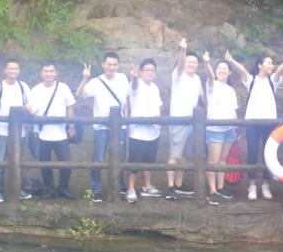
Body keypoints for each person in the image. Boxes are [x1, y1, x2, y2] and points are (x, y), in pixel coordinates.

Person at [227, 50, 283, 200]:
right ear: (260, 65)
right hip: (252, 122)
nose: (271, 65)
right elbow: (243, 70)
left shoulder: (273, 81)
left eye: (272, 63)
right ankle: (252, 184)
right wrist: (231, 60)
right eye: (268, 63)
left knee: (269, 154)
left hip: (269, 123)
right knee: (252, 153)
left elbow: (279, 71)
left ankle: (266, 184)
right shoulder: (251, 80)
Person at [77, 51, 127, 204]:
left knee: (121, 156)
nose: (111, 67)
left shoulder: (123, 79)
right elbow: (79, 94)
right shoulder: (96, 82)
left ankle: (120, 186)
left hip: (120, 125)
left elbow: (128, 100)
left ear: (118, 65)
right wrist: (85, 79)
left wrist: (127, 121)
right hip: (101, 126)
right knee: (99, 158)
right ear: (103, 65)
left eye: (114, 64)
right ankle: (96, 189)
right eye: (109, 64)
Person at [27, 62, 76, 200]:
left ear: (56, 73)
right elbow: (31, 110)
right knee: (44, 163)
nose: (48, 74)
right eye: (45, 71)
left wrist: (72, 126)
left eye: (51, 71)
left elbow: (70, 107)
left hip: (61, 133)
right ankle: (49, 188)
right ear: (41, 73)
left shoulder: (63, 88)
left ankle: (63, 188)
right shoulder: (35, 90)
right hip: (42, 133)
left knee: (66, 163)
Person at [124, 59, 163, 204]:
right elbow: (133, 86)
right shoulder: (136, 84)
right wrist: (134, 77)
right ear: (140, 72)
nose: (150, 73)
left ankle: (147, 186)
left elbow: (159, 107)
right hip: (138, 133)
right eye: (147, 70)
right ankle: (130, 188)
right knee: (134, 162)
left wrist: (159, 123)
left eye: (152, 70)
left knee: (149, 161)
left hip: (153, 132)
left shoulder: (155, 88)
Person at [202, 53, 239, 205]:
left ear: (230, 72)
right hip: (215, 129)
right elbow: (210, 75)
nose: (222, 70)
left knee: (223, 159)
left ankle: (220, 187)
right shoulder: (211, 85)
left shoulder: (231, 90)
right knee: (213, 160)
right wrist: (206, 63)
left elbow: (234, 111)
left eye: (225, 69)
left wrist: (237, 128)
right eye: (219, 68)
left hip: (230, 129)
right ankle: (212, 191)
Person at [0, 60, 32, 204]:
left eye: (16, 68)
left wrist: (28, 110)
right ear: (5, 70)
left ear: (19, 71)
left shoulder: (23, 86)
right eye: (10, 68)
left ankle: (17, 189)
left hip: (20, 132)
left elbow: (30, 106)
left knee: (18, 161)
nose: (13, 71)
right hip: (2, 131)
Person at [167, 40, 202, 198]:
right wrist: (182, 50)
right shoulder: (178, 75)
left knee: (184, 156)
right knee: (174, 154)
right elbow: (180, 64)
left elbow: (202, 99)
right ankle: (170, 186)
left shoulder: (197, 79)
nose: (192, 64)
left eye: (194, 62)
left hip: (192, 122)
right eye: (189, 61)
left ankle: (179, 184)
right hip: (178, 120)